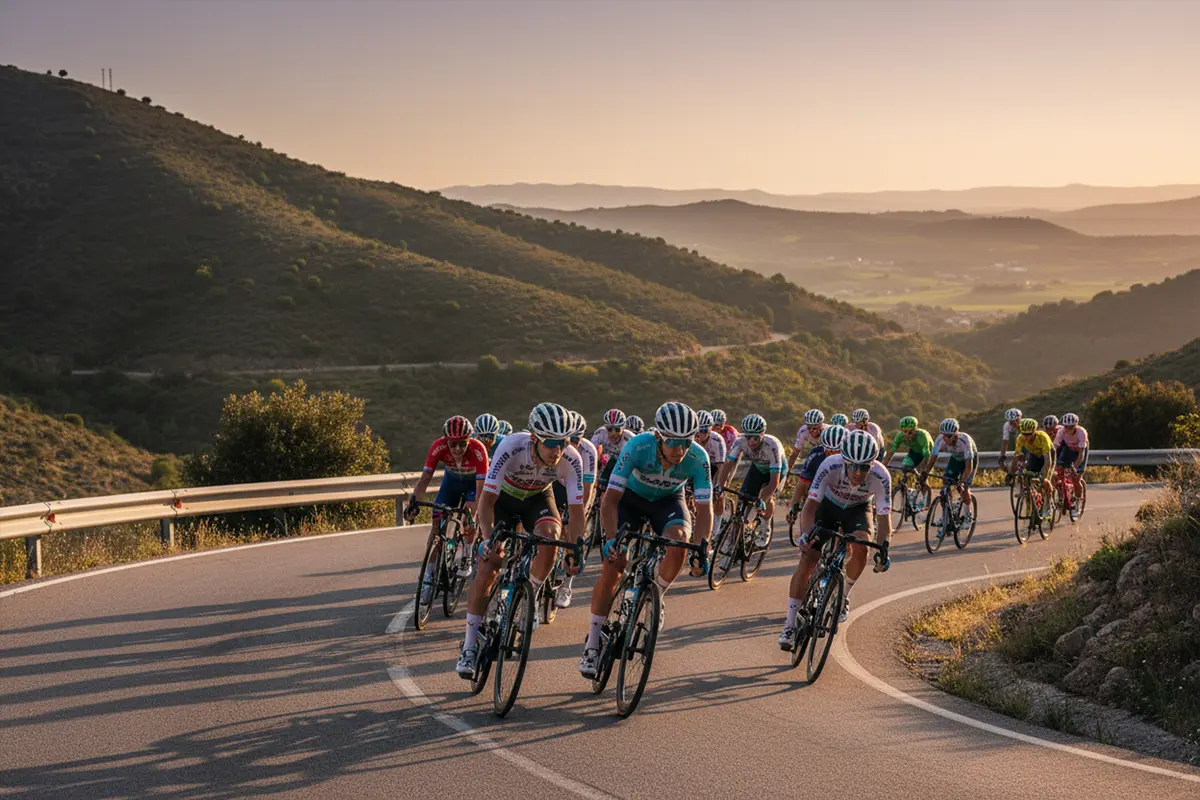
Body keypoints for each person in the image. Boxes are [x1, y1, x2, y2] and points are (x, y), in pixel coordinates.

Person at [578, 402, 713, 679]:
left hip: (668, 501)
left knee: (680, 542)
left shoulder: (698, 457)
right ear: (659, 437)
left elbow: (705, 509)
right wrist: (611, 540)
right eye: (673, 442)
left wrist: (703, 548)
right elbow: (609, 501)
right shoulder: (638, 446)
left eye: (686, 442)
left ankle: (657, 594)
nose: (680, 450)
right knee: (614, 565)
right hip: (630, 500)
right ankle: (593, 642)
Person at [455, 403, 586, 678]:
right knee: (489, 563)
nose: (557, 450)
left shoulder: (571, 459)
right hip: (503, 499)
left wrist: (575, 549)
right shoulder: (511, 447)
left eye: (562, 443)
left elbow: (576, 513)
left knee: (551, 538)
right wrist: (488, 539)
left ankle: (531, 595)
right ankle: (469, 645)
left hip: (538, 498)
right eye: (551, 443)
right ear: (534, 439)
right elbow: (486, 501)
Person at [778, 429, 891, 647]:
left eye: (864, 467)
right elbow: (810, 507)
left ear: (873, 464)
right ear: (844, 460)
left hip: (858, 509)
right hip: (828, 506)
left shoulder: (881, 475)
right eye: (853, 466)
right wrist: (805, 535)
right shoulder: (830, 465)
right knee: (809, 558)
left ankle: (843, 596)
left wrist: (884, 549)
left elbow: (884, 521)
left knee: (862, 547)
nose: (858, 472)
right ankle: (790, 625)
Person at [405, 416, 489, 588]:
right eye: (453, 444)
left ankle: (467, 555)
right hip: (451, 484)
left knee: (469, 518)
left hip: (473, 485)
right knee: (436, 526)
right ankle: (429, 573)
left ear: (469, 440)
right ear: (446, 441)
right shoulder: (438, 447)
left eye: (462, 444)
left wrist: (475, 512)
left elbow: (482, 486)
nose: (458, 448)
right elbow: (425, 478)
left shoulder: (478, 449)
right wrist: (414, 503)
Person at [716, 414, 784, 548]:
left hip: (776, 471)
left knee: (767, 496)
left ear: (762, 435)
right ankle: (734, 541)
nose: (751, 441)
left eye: (756, 437)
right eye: (748, 437)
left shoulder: (772, 446)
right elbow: (727, 465)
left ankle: (765, 528)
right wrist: (720, 486)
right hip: (758, 468)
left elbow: (773, 483)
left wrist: (761, 500)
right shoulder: (740, 442)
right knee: (743, 500)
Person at [554, 410, 598, 609]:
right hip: (558, 485)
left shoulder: (588, 451)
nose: (571, 445)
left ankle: (567, 584)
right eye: (568, 440)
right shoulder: (556, 449)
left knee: (574, 533)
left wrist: (580, 515)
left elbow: (587, 489)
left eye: (576, 440)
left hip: (579, 488)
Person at [923, 418, 978, 524]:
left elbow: (968, 467)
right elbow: (932, 459)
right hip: (956, 459)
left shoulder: (964, 441)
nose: (945, 439)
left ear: (955, 435)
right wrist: (925, 473)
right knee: (945, 484)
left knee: (964, 488)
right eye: (943, 435)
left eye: (948, 436)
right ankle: (946, 515)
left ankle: (968, 515)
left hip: (970, 460)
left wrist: (963, 481)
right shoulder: (940, 439)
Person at [785, 409, 826, 516]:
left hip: (827, 454)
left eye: (815, 428)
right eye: (809, 427)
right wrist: (788, 471)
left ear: (821, 425)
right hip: (815, 453)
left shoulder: (827, 433)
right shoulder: (803, 431)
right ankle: (795, 507)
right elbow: (795, 453)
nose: (811, 430)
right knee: (804, 478)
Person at [881, 416, 935, 490]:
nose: (907, 434)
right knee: (905, 467)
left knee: (922, 475)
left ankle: (924, 488)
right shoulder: (900, 436)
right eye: (905, 431)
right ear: (901, 431)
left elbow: (926, 455)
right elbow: (890, 453)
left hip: (927, 452)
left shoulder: (922, 436)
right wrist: (883, 468)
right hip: (915, 451)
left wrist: (922, 471)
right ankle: (908, 489)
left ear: (916, 429)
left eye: (911, 432)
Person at [1010, 417, 1055, 503]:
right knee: (1027, 475)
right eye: (1024, 434)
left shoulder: (1043, 437)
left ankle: (1048, 502)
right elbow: (1016, 457)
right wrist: (1011, 474)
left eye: (1029, 434)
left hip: (1048, 454)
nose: (1026, 437)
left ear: (1035, 431)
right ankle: (1030, 501)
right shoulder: (1020, 438)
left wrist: (1044, 477)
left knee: (1045, 479)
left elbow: (1048, 460)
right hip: (1035, 454)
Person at [695, 410, 727, 519]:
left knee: (717, 491)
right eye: (698, 430)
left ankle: (717, 522)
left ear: (710, 429)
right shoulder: (691, 438)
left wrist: (718, 485)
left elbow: (721, 467)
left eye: (704, 430)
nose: (701, 434)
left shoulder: (717, 440)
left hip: (714, 466)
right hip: (697, 465)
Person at [592, 408, 633, 493]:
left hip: (627, 465)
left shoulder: (629, 439)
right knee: (600, 487)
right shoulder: (600, 433)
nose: (613, 433)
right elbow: (591, 452)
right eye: (610, 429)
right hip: (610, 461)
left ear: (623, 428)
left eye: (617, 429)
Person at [1054, 413, 1089, 507]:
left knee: (1076, 478)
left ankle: (1078, 501)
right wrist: (1054, 464)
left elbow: (1081, 455)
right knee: (1059, 468)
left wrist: (1075, 467)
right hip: (1069, 449)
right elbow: (1054, 448)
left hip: (1080, 451)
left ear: (1076, 425)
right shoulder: (1061, 431)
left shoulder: (1081, 432)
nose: (1068, 429)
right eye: (1066, 427)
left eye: (1071, 427)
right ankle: (1063, 494)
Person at [998, 408, 1023, 473]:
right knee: (1013, 468)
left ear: (1020, 419)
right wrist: (1002, 456)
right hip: (1018, 447)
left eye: (1016, 421)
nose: (1013, 424)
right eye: (1011, 422)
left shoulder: (1024, 425)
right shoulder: (1007, 425)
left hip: (1028, 446)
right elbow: (1005, 441)